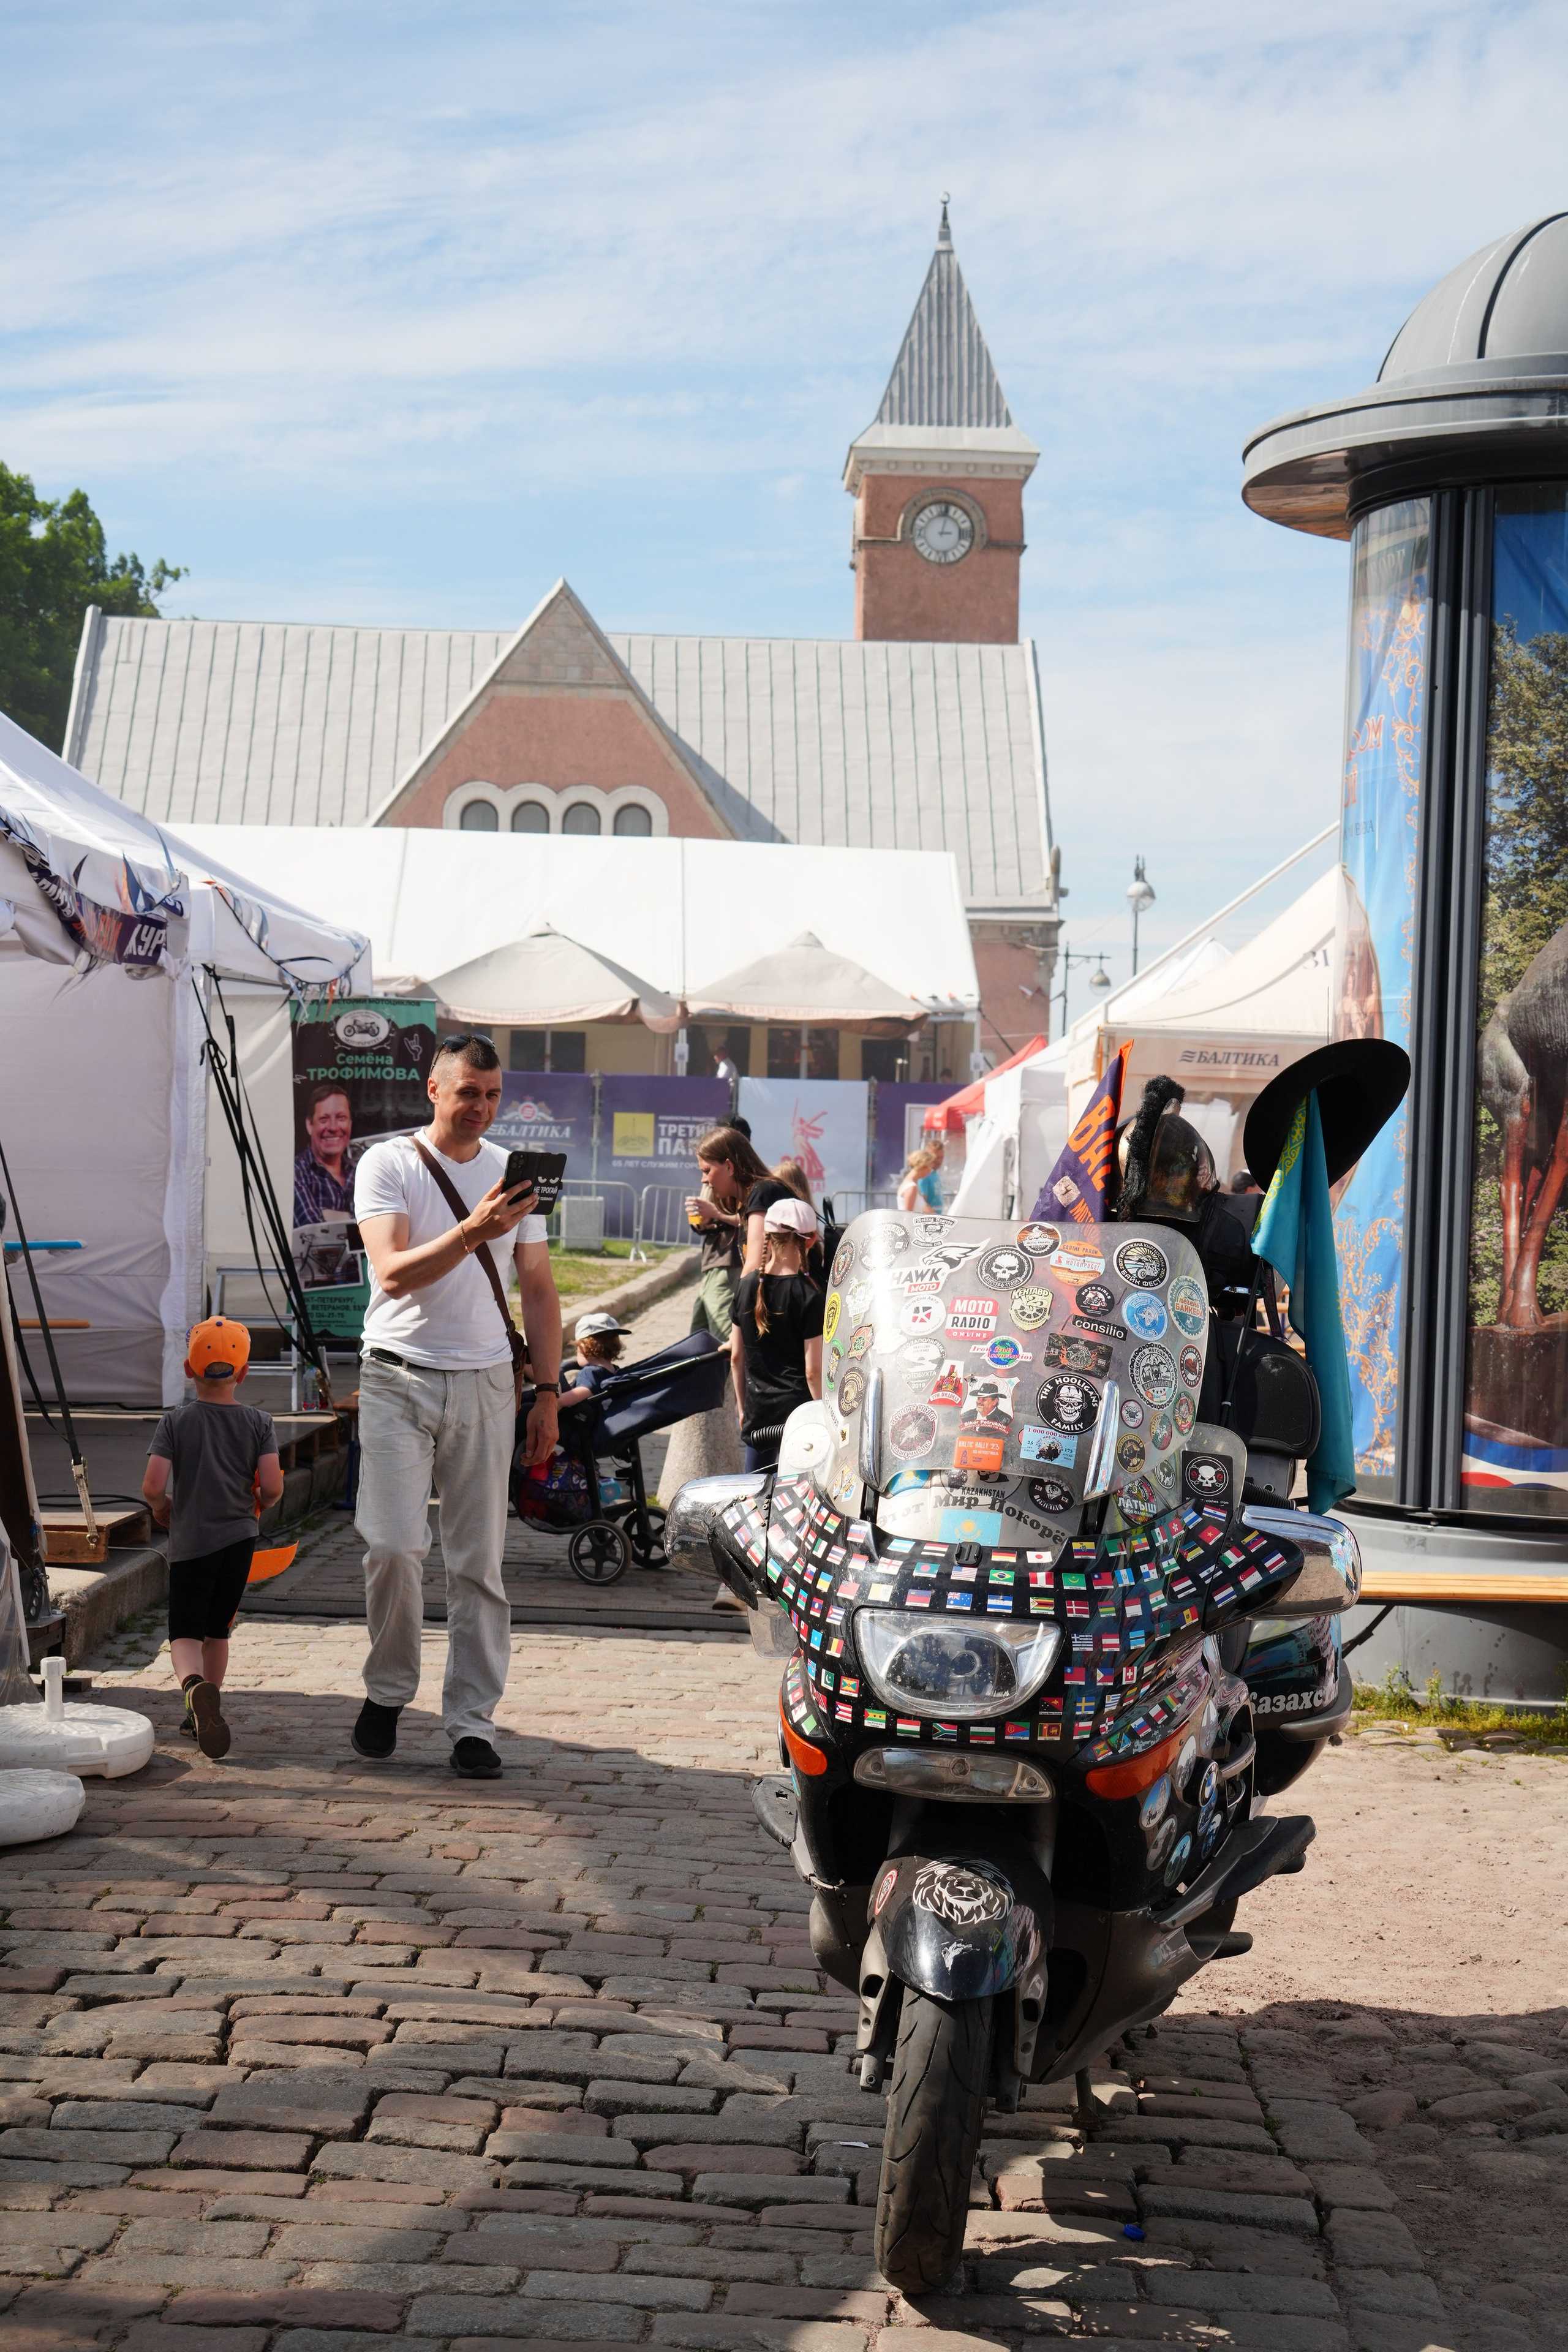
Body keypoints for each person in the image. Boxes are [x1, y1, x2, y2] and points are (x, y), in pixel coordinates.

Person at [352, 1031, 563, 1779]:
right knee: (393, 1546)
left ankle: (472, 1721)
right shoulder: (388, 1162)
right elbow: (393, 1272)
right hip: (396, 1378)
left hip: (487, 1383)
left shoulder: (516, 1173)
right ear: (434, 1091)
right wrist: (475, 1228)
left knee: (478, 1562)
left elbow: (536, 1286)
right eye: (467, 1091)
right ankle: (387, 1691)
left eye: (493, 1094)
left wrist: (549, 1391)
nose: (481, 1106)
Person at [142, 1317, 285, 1759]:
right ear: (243, 1373)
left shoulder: (175, 1423)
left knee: (185, 1630)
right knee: (218, 1629)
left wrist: (163, 1509)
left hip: (190, 1541)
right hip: (239, 1538)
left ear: (188, 1370)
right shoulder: (259, 1421)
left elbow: (152, 1486)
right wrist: (259, 1500)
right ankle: (206, 1705)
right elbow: (274, 1485)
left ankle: (192, 1688)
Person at [729, 1197, 824, 1469]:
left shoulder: (745, 1287)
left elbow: (736, 1357)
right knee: (798, 1492)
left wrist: (742, 1409)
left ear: (767, 1236)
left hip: (757, 1409)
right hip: (798, 1414)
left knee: (754, 1488)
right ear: (810, 1240)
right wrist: (821, 1416)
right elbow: (812, 1372)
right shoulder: (809, 1296)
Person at [683, 1126, 793, 1338]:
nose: (703, 1180)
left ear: (729, 1166)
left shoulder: (762, 1192)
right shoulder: (751, 1198)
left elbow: (754, 1266)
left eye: (707, 1170)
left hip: (786, 1315)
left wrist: (736, 1327)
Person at [294, 1084, 356, 1227]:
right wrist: (357, 1219)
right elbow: (314, 1231)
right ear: (309, 1125)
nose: (333, 1128)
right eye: (324, 1119)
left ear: (350, 1124)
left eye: (341, 1118)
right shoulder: (296, 1171)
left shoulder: (361, 1170)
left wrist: (331, 1216)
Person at [899, 1139, 945, 1213]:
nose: (930, 1171)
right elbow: (907, 1216)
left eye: (941, 1157)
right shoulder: (911, 1187)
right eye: (929, 1167)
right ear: (923, 1166)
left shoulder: (911, 1185)